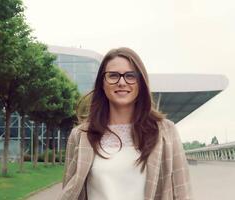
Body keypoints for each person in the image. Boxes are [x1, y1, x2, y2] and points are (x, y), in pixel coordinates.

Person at [58, 47, 192, 200]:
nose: (122, 82)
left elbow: (182, 192)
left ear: (140, 83)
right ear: (102, 83)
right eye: (113, 75)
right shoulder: (81, 135)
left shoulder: (165, 131)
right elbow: (69, 191)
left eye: (130, 76)